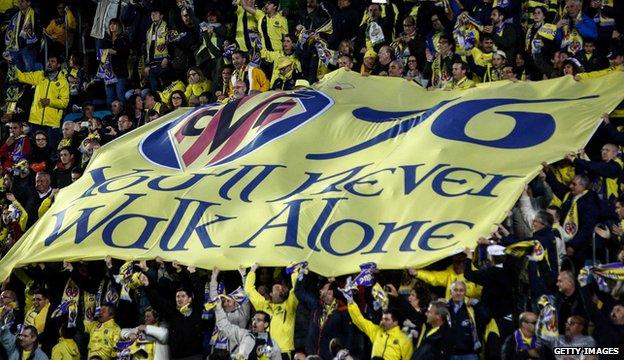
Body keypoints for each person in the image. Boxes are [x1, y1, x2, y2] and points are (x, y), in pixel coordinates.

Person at [341, 288, 413, 359]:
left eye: (387, 319)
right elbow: (360, 320)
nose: (383, 321)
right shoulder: (377, 331)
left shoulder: (404, 341)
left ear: (395, 322)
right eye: (382, 319)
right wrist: (350, 301)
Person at [15, 55, 70, 148]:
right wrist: (12, 64)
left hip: (52, 123)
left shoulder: (63, 82)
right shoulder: (39, 76)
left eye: (52, 61)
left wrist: (50, 102)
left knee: (51, 150)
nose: (49, 63)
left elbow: (64, 103)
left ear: (58, 65)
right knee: (34, 149)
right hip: (35, 121)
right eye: (48, 61)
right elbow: (21, 77)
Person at [245, 263, 299, 357]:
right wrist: (252, 271)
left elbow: (297, 289)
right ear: (271, 293)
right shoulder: (263, 306)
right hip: (265, 352)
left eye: (282, 289)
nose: (281, 290)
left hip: (283, 351)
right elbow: (249, 289)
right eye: (277, 288)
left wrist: (294, 272)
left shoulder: (289, 305)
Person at [295, 274, 352, 360]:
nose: (320, 290)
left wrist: (345, 355)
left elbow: (348, 335)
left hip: (330, 357)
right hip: (312, 356)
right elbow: (299, 292)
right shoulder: (316, 304)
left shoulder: (343, 311)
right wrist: (302, 274)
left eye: (323, 287)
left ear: (331, 291)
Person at [214, 299, 282, 359]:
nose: (254, 322)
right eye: (254, 319)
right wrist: (219, 308)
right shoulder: (244, 335)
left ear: (266, 324)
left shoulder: (273, 345)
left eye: (258, 320)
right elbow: (225, 327)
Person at [447, 281, 480, 359]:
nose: (458, 293)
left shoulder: (472, 307)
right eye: (455, 290)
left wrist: (478, 305)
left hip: (470, 353)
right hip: (450, 354)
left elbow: (485, 317)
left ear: (465, 292)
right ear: (450, 292)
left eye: (461, 290)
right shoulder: (445, 307)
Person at [4, 0, 40, 72]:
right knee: (17, 70)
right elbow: (11, 31)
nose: (20, 3)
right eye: (19, 1)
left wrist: (32, 45)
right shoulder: (15, 16)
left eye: (22, 1)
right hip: (16, 47)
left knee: (29, 70)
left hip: (28, 47)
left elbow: (39, 32)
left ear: (29, 2)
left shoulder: (34, 15)